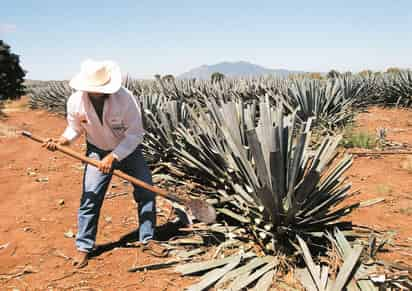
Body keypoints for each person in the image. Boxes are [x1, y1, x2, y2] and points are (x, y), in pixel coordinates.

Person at [44, 59, 156, 268]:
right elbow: (74, 128)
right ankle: (84, 247)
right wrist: (62, 141)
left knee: (146, 191)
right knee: (91, 196)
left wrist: (113, 157)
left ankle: (147, 239)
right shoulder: (75, 101)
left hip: (127, 150)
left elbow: (135, 134)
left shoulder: (125, 99)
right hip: (96, 151)